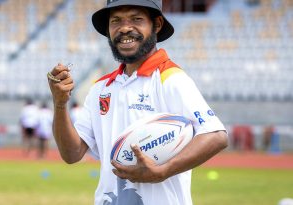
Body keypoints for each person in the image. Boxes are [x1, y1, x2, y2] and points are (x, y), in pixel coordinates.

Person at [47, 0, 228, 204]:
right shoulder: (100, 88)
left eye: (136, 19)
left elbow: (216, 136)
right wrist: (60, 104)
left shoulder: (170, 78)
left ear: (157, 25)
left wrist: (162, 171)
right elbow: (71, 154)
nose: (124, 28)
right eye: (116, 20)